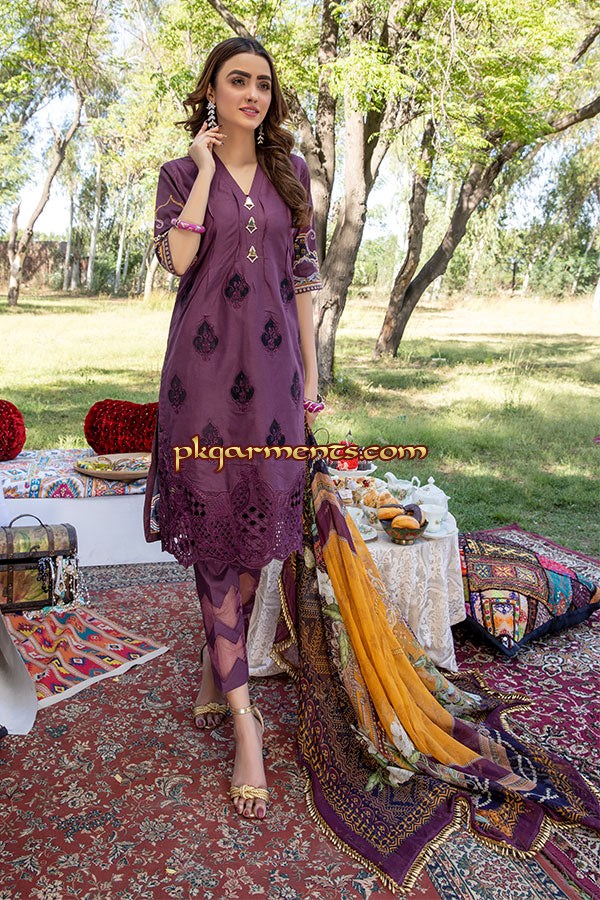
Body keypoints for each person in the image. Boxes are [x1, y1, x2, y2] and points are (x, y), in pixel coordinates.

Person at [143, 36, 324, 821]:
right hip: (202, 381)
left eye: (263, 84)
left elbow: (304, 278)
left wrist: (312, 376)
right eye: (238, 81)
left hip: (276, 380)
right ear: (211, 91)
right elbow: (180, 261)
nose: (253, 94)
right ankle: (247, 723)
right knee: (216, 530)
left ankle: (217, 665)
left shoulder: (292, 173)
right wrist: (207, 169)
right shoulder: (180, 174)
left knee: (257, 536)